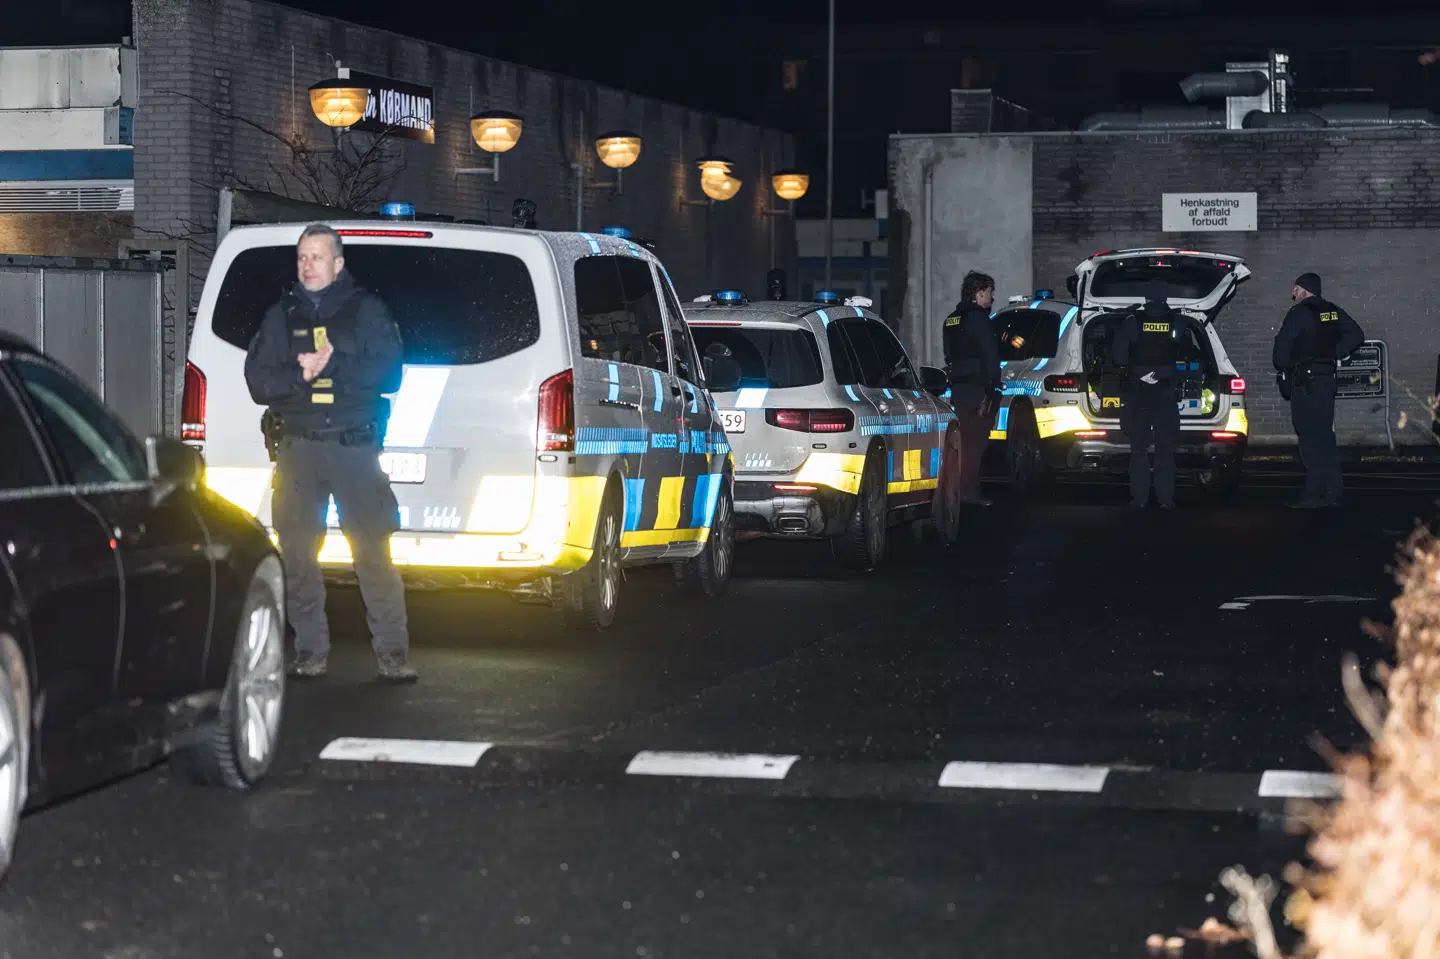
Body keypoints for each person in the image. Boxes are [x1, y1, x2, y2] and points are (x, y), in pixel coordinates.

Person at [244, 223, 417, 682]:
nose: (307, 265)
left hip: (352, 447)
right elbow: (258, 381)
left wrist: (333, 365)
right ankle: (310, 651)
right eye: (302, 257)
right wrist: (300, 377)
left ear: (338, 264)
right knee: (297, 554)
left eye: (317, 257)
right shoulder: (281, 316)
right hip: (298, 449)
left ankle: (393, 654)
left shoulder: (366, 311)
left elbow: (389, 373)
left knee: (372, 552)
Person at [1271, 272, 1364, 508]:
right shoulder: (1333, 311)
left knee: (1309, 439)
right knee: (1324, 437)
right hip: (1326, 381)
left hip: (1306, 382)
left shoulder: (1298, 313)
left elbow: (1282, 349)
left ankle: (1313, 495)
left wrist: (1288, 365)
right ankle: (1333, 491)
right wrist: (1334, 352)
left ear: (1305, 290)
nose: (1293, 294)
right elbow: (1356, 335)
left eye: (1296, 289)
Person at [1110, 280, 1202, 510]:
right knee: (1165, 450)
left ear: (1146, 298)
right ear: (1166, 297)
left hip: (1138, 392)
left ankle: (1139, 499)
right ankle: (1165, 499)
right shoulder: (1178, 323)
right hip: (1165, 392)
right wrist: (1165, 375)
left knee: (1138, 450)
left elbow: (1118, 357)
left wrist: (1140, 374)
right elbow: (1188, 356)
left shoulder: (1132, 322)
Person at [941, 271, 1002, 507]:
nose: (991, 297)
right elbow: (990, 355)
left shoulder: (951, 320)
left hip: (959, 389)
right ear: (979, 293)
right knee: (976, 444)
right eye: (989, 292)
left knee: (963, 441)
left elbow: (949, 355)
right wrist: (993, 388)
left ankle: (958, 491)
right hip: (979, 389)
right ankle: (969, 491)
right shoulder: (981, 320)